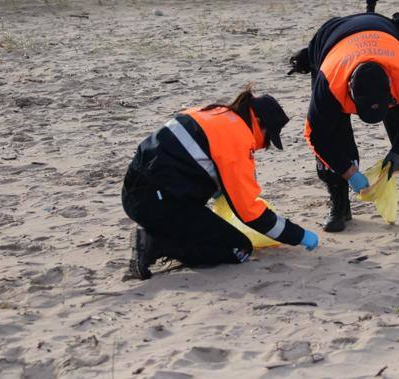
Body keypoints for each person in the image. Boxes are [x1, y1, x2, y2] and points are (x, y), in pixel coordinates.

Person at [122, 87, 318, 280]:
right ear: (258, 122)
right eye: (268, 137)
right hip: (155, 203)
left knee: (207, 227)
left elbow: (191, 159)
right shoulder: (238, 139)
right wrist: (298, 235)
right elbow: (251, 213)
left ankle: (160, 235)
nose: (265, 145)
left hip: (138, 191)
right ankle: (154, 243)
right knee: (238, 249)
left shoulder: (215, 113)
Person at [288, 12, 399, 232]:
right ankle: (339, 204)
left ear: (390, 90)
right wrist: (349, 172)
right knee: (333, 133)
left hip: (383, 32)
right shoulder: (330, 82)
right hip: (331, 40)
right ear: (349, 92)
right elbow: (316, 135)